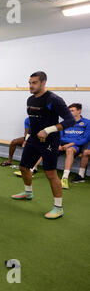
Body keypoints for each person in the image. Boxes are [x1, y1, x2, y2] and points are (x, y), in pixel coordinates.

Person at [11, 71, 75, 219]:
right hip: (33, 139)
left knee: (50, 173)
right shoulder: (30, 99)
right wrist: (27, 137)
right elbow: (33, 121)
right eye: (29, 82)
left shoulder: (54, 99)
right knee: (23, 167)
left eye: (34, 83)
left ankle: (58, 208)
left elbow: (70, 121)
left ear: (43, 82)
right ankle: (28, 192)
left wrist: (48, 130)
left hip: (50, 141)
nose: (31, 86)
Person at [58, 103, 90, 189]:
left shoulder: (87, 123)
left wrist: (71, 143)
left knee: (69, 150)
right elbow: (60, 137)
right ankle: (32, 169)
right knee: (48, 147)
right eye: (69, 111)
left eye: (72, 110)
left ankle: (64, 178)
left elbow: (85, 139)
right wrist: (61, 144)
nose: (70, 112)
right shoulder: (65, 122)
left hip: (76, 146)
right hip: (63, 145)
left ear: (79, 111)